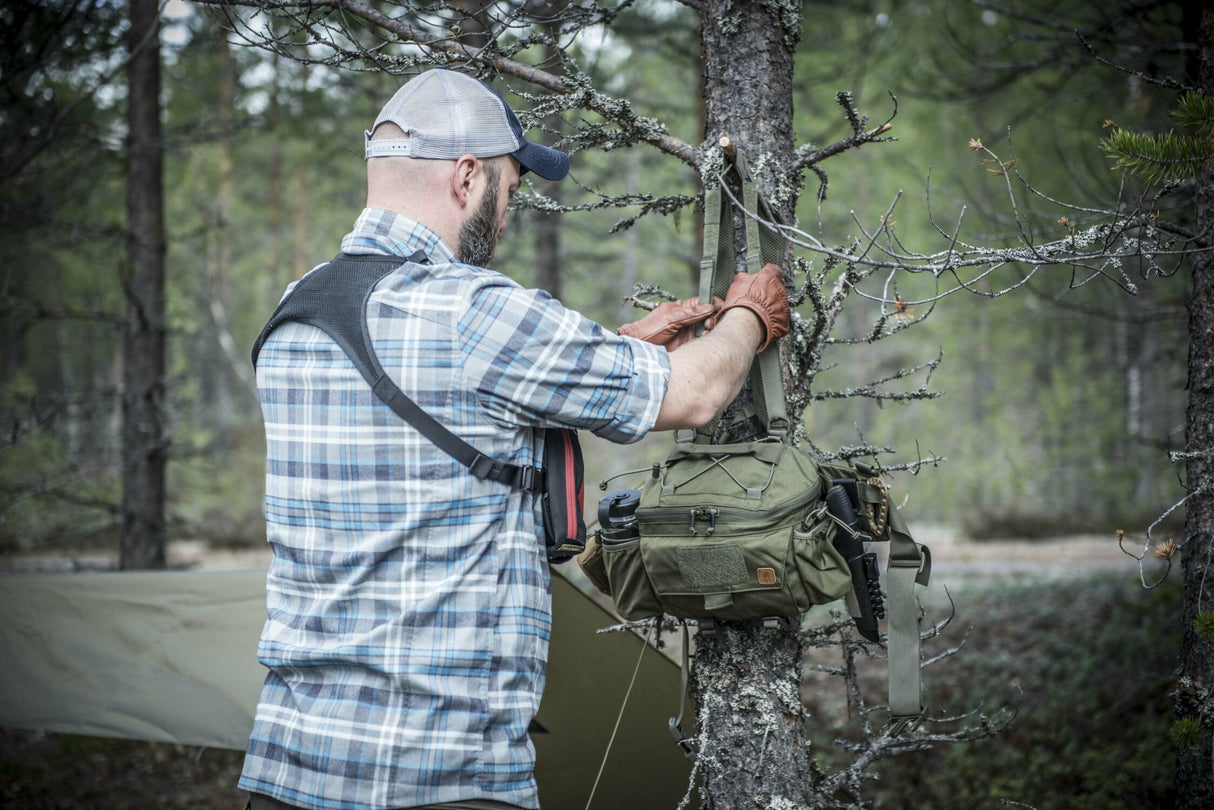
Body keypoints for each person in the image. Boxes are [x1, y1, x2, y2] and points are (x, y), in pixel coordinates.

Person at [239, 68, 790, 810]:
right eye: (510, 188)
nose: (507, 216)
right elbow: (694, 394)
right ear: (468, 177)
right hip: (440, 776)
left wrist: (620, 347)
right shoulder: (474, 312)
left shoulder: (295, 309)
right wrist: (748, 319)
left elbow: (452, 416)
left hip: (289, 769)